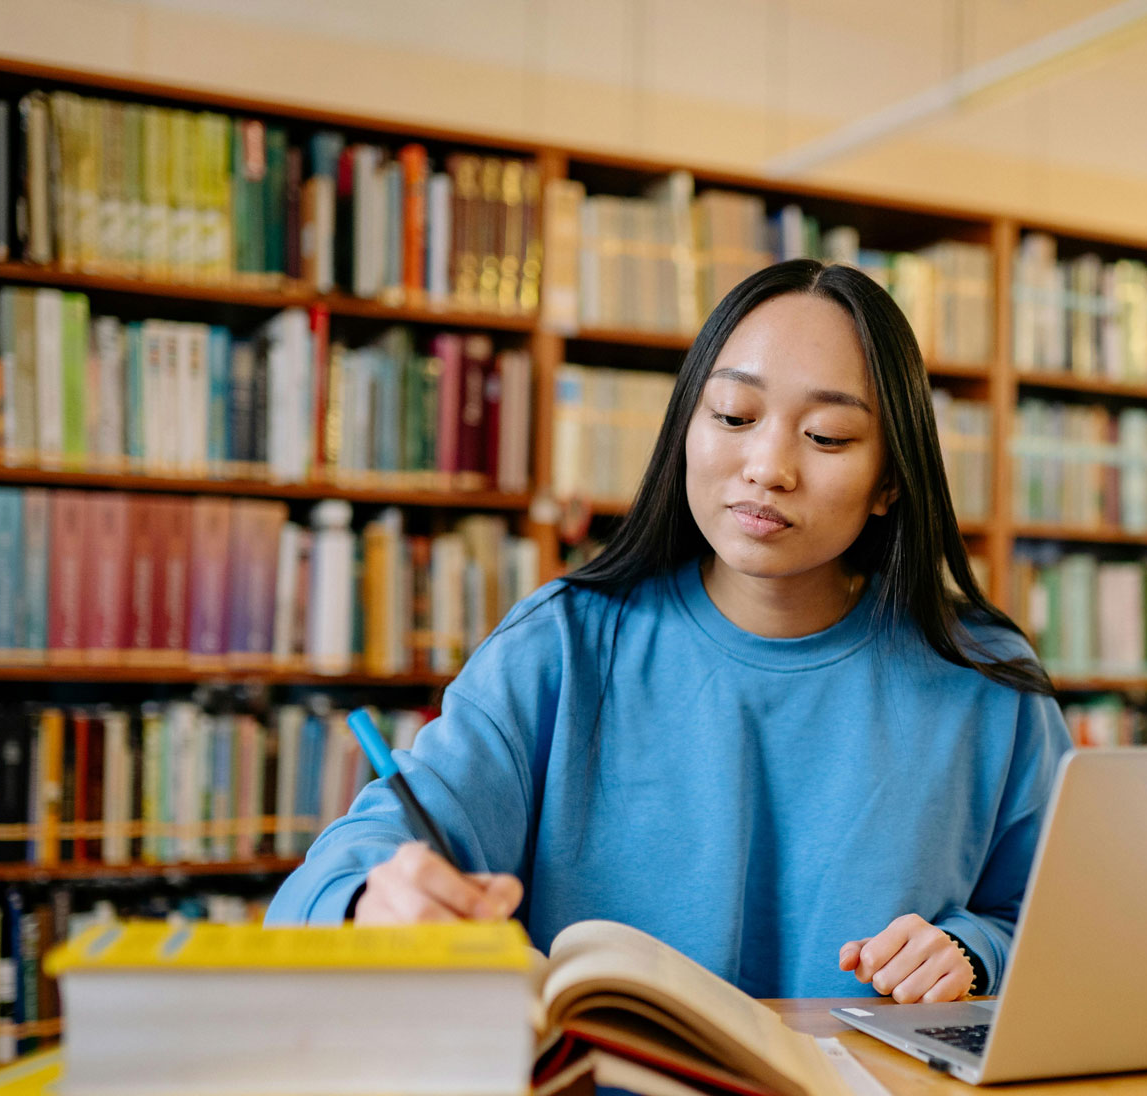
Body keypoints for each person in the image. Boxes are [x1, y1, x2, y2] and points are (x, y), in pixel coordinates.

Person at [266, 259, 1070, 1004]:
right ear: (687, 424)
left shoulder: (984, 678)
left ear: (891, 480)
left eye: (826, 436)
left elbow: (1070, 926)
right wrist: (373, 898)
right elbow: (344, 868)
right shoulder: (564, 646)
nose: (767, 466)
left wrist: (972, 953)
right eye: (732, 414)